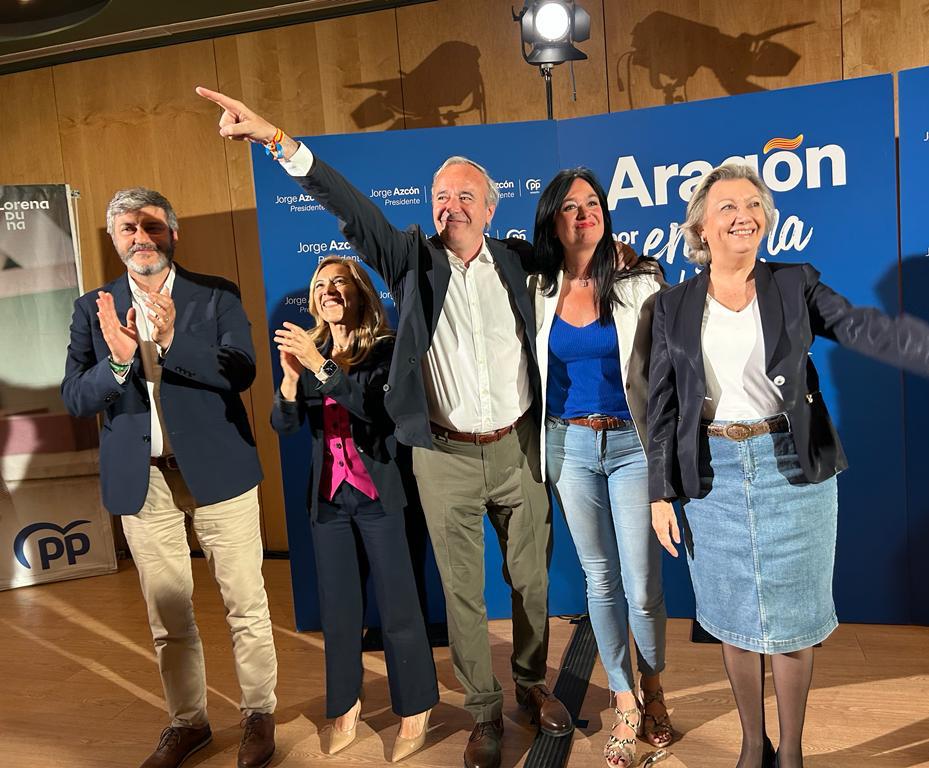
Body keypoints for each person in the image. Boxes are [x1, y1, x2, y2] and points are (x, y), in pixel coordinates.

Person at [196, 87, 573, 768]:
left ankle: (527, 686)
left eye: (464, 196)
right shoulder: (412, 260)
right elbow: (351, 207)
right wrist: (277, 139)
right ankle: (484, 714)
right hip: (445, 455)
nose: (449, 206)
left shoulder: (519, 261)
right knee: (461, 592)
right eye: (440, 197)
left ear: (490, 208)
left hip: (517, 447)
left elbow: (586, 265)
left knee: (532, 583)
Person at [646, 163, 929, 768]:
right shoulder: (672, 306)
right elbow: (660, 403)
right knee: (731, 619)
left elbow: (868, 330)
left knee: (793, 621)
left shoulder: (795, 284)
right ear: (699, 227)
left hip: (794, 471)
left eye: (755, 204)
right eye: (728, 207)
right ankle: (752, 744)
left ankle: (789, 751)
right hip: (710, 478)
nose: (745, 214)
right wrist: (660, 493)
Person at [61, 188, 278, 768]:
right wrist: (118, 362)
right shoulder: (93, 308)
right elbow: (77, 398)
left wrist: (176, 340)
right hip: (143, 479)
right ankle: (189, 723)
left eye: (151, 226)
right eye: (128, 229)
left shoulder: (215, 296)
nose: (140, 237)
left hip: (219, 471)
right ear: (114, 240)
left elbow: (243, 372)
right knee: (169, 613)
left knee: (246, 604)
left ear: (172, 234)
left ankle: (259, 715)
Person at [270, 256, 439, 761]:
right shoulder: (312, 349)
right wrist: (287, 379)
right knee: (340, 612)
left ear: (360, 291)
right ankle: (344, 704)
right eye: (321, 285)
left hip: (379, 496)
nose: (328, 291)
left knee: (399, 607)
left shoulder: (385, 349)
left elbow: (376, 411)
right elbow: (285, 426)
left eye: (339, 282)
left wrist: (319, 367)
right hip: (329, 501)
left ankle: (416, 706)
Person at [531, 168, 671, 768]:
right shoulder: (536, 286)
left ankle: (654, 682)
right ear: (554, 221)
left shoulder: (641, 279)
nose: (583, 214)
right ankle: (624, 699)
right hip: (571, 447)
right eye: (570, 206)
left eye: (593, 204)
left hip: (632, 445)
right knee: (600, 581)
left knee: (641, 587)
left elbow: (667, 369)